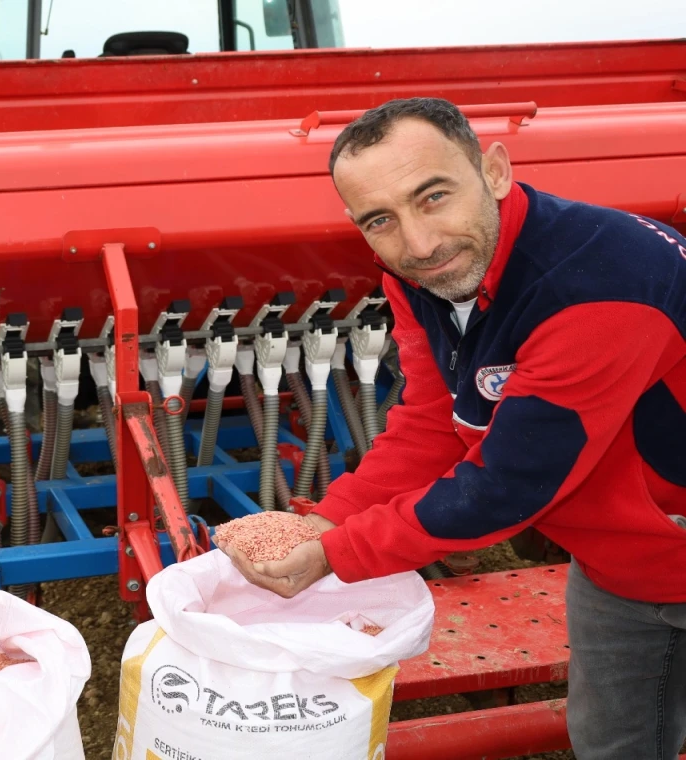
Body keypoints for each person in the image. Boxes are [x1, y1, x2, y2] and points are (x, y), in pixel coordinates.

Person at [221, 97, 686, 759]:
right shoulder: (426, 278)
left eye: (433, 196)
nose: (419, 242)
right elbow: (436, 422)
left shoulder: (599, 283)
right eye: (380, 220)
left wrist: (337, 554)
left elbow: (510, 485)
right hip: (625, 567)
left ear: (493, 171)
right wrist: (330, 519)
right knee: (614, 746)